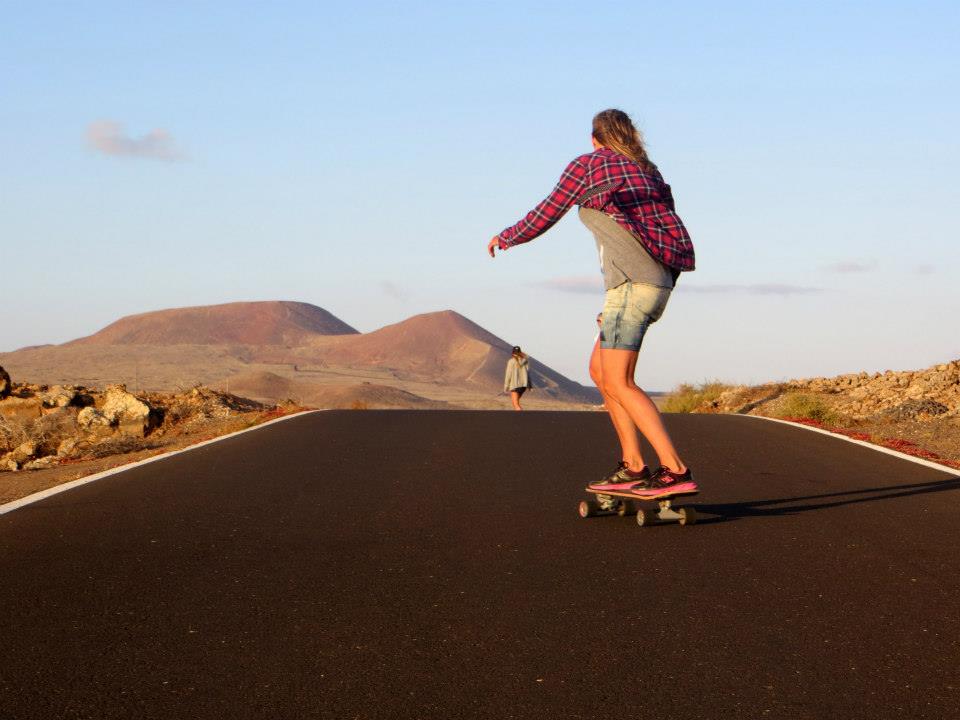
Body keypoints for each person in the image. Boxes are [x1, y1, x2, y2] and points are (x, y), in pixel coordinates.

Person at [486, 109, 698, 500]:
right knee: (599, 370)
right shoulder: (647, 170)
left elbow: (548, 211)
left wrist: (508, 236)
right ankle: (633, 465)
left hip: (635, 286)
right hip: (652, 283)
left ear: (594, 138)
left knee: (619, 380)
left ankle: (675, 470)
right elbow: (669, 230)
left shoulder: (589, 165)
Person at [503, 346, 533, 411]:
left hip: (515, 385)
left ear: (513, 353)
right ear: (520, 352)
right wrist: (530, 386)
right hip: (523, 386)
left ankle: (521, 418)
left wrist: (506, 387)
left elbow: (508, 375)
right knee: (516, 403)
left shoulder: (511, 361)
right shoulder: (526, 361)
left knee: (516, 404)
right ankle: (519, 418)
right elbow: (528, 374)